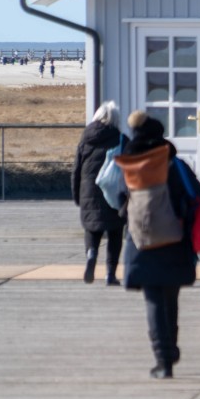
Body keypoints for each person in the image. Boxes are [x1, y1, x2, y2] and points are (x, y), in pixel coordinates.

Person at [116, 110, 200, 379]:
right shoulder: (173, 163)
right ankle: (172, 348)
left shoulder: (128, 164)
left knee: (153, 300)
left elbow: (119, 200)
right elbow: (198, 194)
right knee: (171, 298)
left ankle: (162, 360)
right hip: (175, 238)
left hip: (142, 241)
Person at [72, 100, 127, 286]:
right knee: (115, 232)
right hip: (114, 192)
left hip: (89, 190)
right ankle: (110, 274)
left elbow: (76, 170)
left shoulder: (85, 139)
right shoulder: (121, 139)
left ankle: (91, 255)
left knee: (92, 229)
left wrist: (77, 196)